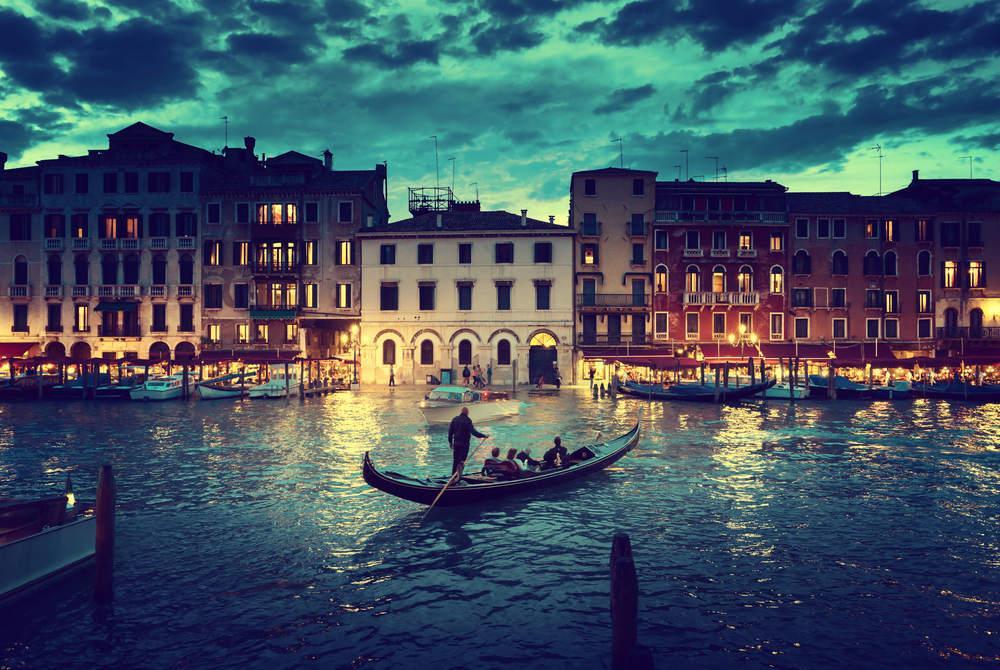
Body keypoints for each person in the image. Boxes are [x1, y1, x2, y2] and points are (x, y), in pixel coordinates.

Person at [448, 406, 488, 476]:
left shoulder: (454, 419)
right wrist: (483, 436)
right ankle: (458, 477)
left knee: (455, 460)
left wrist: (450, 442)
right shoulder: (468, 420)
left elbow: (450, 432)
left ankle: (453, 476)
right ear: (467, 412)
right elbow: (472, 431)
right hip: (464, 444)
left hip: (456, 443)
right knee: (461, 462)